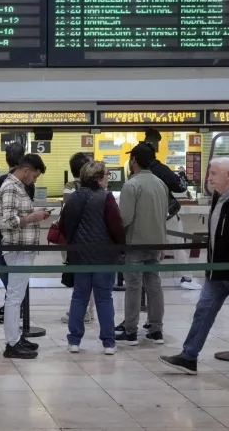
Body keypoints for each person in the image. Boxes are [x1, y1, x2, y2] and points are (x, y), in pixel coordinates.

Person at [160, 157, 229, 378]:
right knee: (203, 312)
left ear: (228, 175)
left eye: (213, 173)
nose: (209, 177)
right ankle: (189, 357)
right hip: (216, 272)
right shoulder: (218, 198)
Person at [60, 161, 125, 355]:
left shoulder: (73, 198)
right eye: (106, 175)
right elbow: (116, 227)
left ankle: (74, 341)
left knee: (79, 297)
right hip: (104, 256)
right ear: (97, 177)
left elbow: (64, 225)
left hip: (80, 256)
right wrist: (122, 247)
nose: (108, 178)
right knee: (104, 298)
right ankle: (108, 343)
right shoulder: (106, 198)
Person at [116, 142, 169, 346]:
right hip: (157, 242)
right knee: (154, 285)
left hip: (135, 243)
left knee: (133, 286)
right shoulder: (160, 183)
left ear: (134, 161)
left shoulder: (131, 185)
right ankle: (156, 330)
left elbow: (125, 218)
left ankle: (131, 331)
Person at [0, 154, 49, 359]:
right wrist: (32, 217)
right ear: (26, 170)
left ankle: (16, 337)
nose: (34, 180)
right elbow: (8, 221)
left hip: (23, 248)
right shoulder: (11, 187)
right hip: (17, 248)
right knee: (14, 297)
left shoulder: (17, 186)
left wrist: (32, 215)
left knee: (16, 296)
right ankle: (12, 343)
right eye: (34, 176)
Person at [0, 143, 35, 318]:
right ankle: (13, 303)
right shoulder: (28, 181)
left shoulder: (5, 179)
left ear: (6, 158)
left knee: (4, 269)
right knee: (17, 272)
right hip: (21, 232)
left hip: (1, 230)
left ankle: (13, 304)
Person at [145, 142, 198, 290]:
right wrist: (181, 175)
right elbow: (180, 187)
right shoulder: (162, 170)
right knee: (178, 246)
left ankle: (153, 278)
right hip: (168, 215)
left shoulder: (139, 172)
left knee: (152, 249)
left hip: (148, 217)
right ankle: (186, 278)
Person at [60, 152, 95, 325]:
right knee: (91, 275)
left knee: (80, 276)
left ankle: (82, 311)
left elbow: (67, 211)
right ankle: (90, 310)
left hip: (75, 237)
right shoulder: (97, 187)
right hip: (94, 236)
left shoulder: (70, 186)